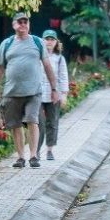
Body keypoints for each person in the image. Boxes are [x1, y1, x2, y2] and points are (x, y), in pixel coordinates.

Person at [0, 12, 59, 169]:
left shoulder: (37, 42)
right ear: (14, 25)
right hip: (12, 92)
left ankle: (33, 155)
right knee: (15, 125)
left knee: (32, 120)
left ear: (29, 24)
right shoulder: (6, 44)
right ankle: (21, 157)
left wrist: (55, 89)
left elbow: (47, 66)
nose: (23, 24)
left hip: (33, 91)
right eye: (19, 22)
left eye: (25, 22)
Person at [38, 30, 69, 161]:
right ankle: (36, 150)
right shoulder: (37, 56)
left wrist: (64, 95)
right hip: (38, 94)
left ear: (56, 42)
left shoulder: (59, 58)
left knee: (53, 122)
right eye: (47, 39)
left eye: (52, 39)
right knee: (38, 123)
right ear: (42, 41)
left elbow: (63, 77)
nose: (49, 42)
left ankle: (49, 150)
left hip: (53, 94)